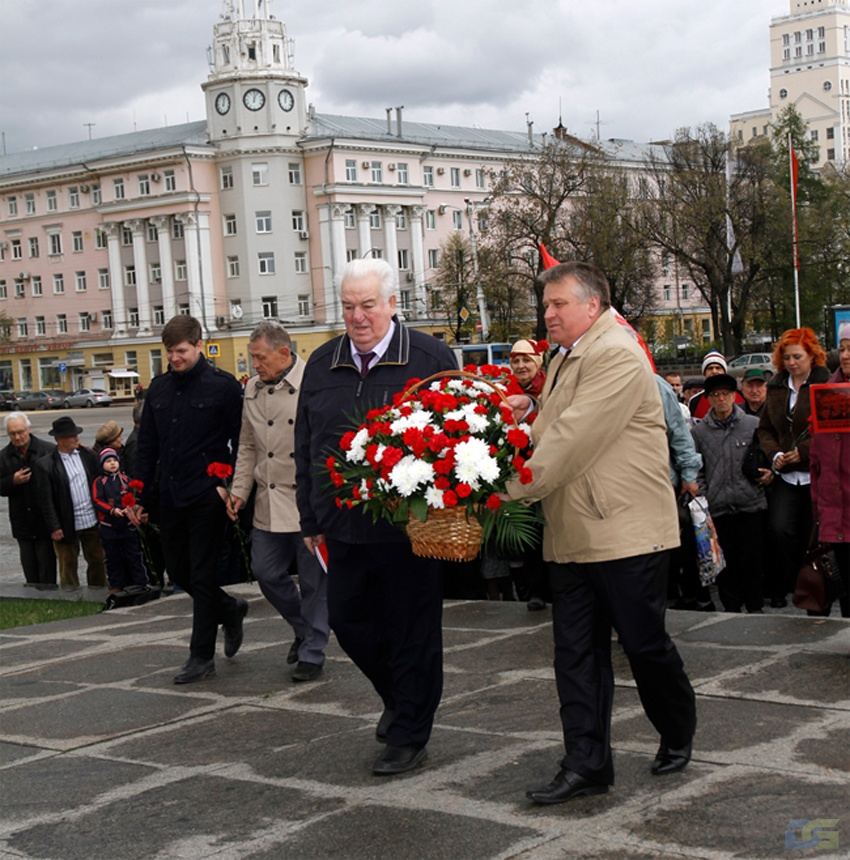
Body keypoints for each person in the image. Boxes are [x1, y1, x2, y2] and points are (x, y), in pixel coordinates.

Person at [505, 261, 696, 805]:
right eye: (545, 305)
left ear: (592, 305)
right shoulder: (566, 355)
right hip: (571, 531)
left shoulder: (615, 354)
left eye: (558, 304)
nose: (547, 314)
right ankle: (586, 764)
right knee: (575, 656)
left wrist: (498, 495)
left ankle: (677, 727)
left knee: (643, 647)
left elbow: (570, 440)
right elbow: (551, 426)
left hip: (625, 532)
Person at [295, 258, 457, 776]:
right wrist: (309, 517)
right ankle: (400, 697)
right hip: (342, 525)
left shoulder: (430, 357)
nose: (357, 317)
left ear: (392, 303)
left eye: (367, 305)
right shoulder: (322, 364)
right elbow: (306, 444)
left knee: (413, 631)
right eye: (348, 306)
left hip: (411, 527)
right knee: (348, 621)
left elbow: (456, 435)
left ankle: (410, 731)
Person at [131, 315, 245, 684]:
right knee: (178, 571)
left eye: (180, 350)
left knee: (201, 572)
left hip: (207, 495)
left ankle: (201, 657)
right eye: (169, 351)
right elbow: (147, 446)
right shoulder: (159, 389)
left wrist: (229, 484)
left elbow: (242, 441)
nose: (174, 358)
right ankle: (229, 608)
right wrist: (139, 495)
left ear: (198, 345)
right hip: (170, 494)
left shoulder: (223, 386)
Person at [228, 321, 330, 683]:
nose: (254, 364)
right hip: (268, 499)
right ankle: (305, 628)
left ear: (284, 353)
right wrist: (239, 490)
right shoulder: (252, 388)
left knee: (314, 582)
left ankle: (313, 652)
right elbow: (247, 444)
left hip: (306, 499)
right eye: (252, 357)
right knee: (265, 571)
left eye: (260, 357)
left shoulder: (313, 383)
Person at [757, 328, 830, 608]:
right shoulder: (776, 387)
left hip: (815, 473)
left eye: (797, 357)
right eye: (787, 357)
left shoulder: (824, 384)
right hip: (786, 475)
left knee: (814, 535)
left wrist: (802, 452)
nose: (791, 363)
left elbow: (828, 430)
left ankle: (818, 590)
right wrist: (775, 453)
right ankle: (797, 579)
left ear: (812, 356)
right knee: (779, 529)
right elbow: (765, 429)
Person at [691, 374, 770, 613]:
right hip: (718, 506)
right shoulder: (700, 432)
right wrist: (705, 495)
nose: (721, 399)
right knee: (725, 561)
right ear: (708, 399)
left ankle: (755, 606)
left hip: (750, 503)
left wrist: (768, 475)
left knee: (753, 559)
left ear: (735, 396)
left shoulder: (753, 424)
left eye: (725, 394)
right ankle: (731, 607)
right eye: (715, 395)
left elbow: (767, 457)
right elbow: (697, 468)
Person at [33, 416, 106, 588]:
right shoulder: (46, 465)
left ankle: (98, 592)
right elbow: (45, 499)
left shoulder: (87, 456)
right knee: (68, 565)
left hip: (91, 521)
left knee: (98, 560)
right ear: (60, 439)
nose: (76, 438)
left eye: (76, 434)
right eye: (72, 435)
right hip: (66, 524)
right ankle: (70, 596)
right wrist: (54, 526)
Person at [808, 321, 850, 618]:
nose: (845, 355)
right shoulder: (826, 395)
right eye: (843, 348)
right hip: (835, 507)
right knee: (843, 582)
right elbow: (817, 459)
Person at [508, 338, 550, 610]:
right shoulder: (504, 390)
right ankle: (534, 589)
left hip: (548, 466)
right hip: (518, 471)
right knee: (529, 531)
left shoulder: (550, 387)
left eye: (527, 360)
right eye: (516, 360)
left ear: (538, 363)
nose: (521, 365)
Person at [0, 412, 57, 587]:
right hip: (22, 521)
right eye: (12, 434)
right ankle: (32, 597)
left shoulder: (48, 450)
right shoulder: (3, 456)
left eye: (20, 432)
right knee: (29, 568)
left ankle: (49, 597)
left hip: (44, 521)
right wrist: (12, 481)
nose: (17, 437)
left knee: (47, 568)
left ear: (28, 429)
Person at [91, 447, 149, 593]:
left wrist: (132, 509)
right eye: (108, 461)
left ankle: (140, 582)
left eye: (114, 460)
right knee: (113, 558)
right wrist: (112, 510)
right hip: (109, 526)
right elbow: (97, 500)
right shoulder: (99, 482)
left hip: (127, 525)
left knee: (134, 555)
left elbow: (134, 496)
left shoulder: (126, 480)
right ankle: (116, 585)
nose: (112, 463)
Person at [689, 352, 745, 421]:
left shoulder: (741, 395)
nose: (714, 371)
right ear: (704, 373)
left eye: (718, 368)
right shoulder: (695, 401)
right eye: (710, 368)